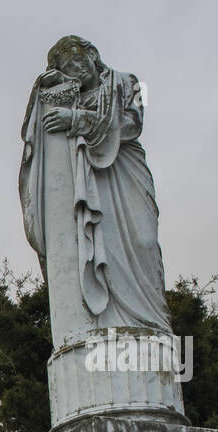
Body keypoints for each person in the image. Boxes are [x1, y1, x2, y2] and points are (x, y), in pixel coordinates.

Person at [20, 36, 171, 348]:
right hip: (86, 176)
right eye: (67, 69)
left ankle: (150, 323)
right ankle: (103, 318)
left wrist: (76, 119)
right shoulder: (67, 97)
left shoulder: (123, 83)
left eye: (77, 62)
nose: (76, 70)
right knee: (95, 242)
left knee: (144, 241)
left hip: (124, 169)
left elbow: (131, 124)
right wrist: (48, 90)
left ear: (91, 55)